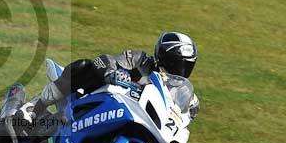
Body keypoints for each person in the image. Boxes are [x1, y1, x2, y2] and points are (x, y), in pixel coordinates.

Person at [18, 31, 200, 125]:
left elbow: (186, 114)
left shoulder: (180, 92)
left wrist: (188, 112)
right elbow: (105, 60)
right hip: (97, 100)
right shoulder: (140, 60)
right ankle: (33, 107)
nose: (179, 69)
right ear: (162, 56)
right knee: (85, 66)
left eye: (185, 65)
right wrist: (112, 72)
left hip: (132, 119)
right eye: (175, 63)